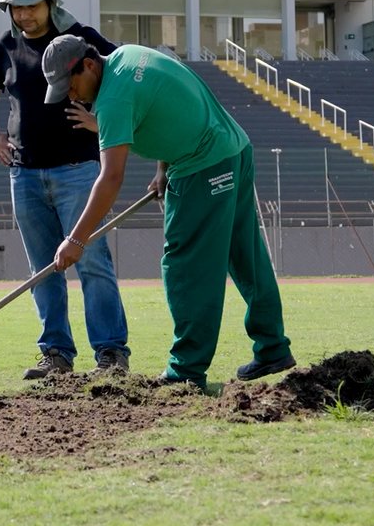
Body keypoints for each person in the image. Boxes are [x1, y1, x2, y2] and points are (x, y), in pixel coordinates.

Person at [40, 37, 294, 393]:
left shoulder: (112, 99)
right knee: (246, 256)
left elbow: (110, 178)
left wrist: (76, 239)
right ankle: (273, 348)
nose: (72, 97)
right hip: (234, 148)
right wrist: (163, 167)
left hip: (202, 165)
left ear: (89, 65)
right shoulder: (129, 56)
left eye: (71, 86)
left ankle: (186, 370)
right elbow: (170, 101)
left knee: (185, 266)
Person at [0, 0, 131, 380]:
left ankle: (112, 353)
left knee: (92, 259)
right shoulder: (4, 46)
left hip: (78, 170)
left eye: (31, 6)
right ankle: (56, 354)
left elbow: (121, 78)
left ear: (49, 3)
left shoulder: (81, 37)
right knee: (42, 266)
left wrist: (101, 121)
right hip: (24, 174)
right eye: (16, 7)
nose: (24, 15)